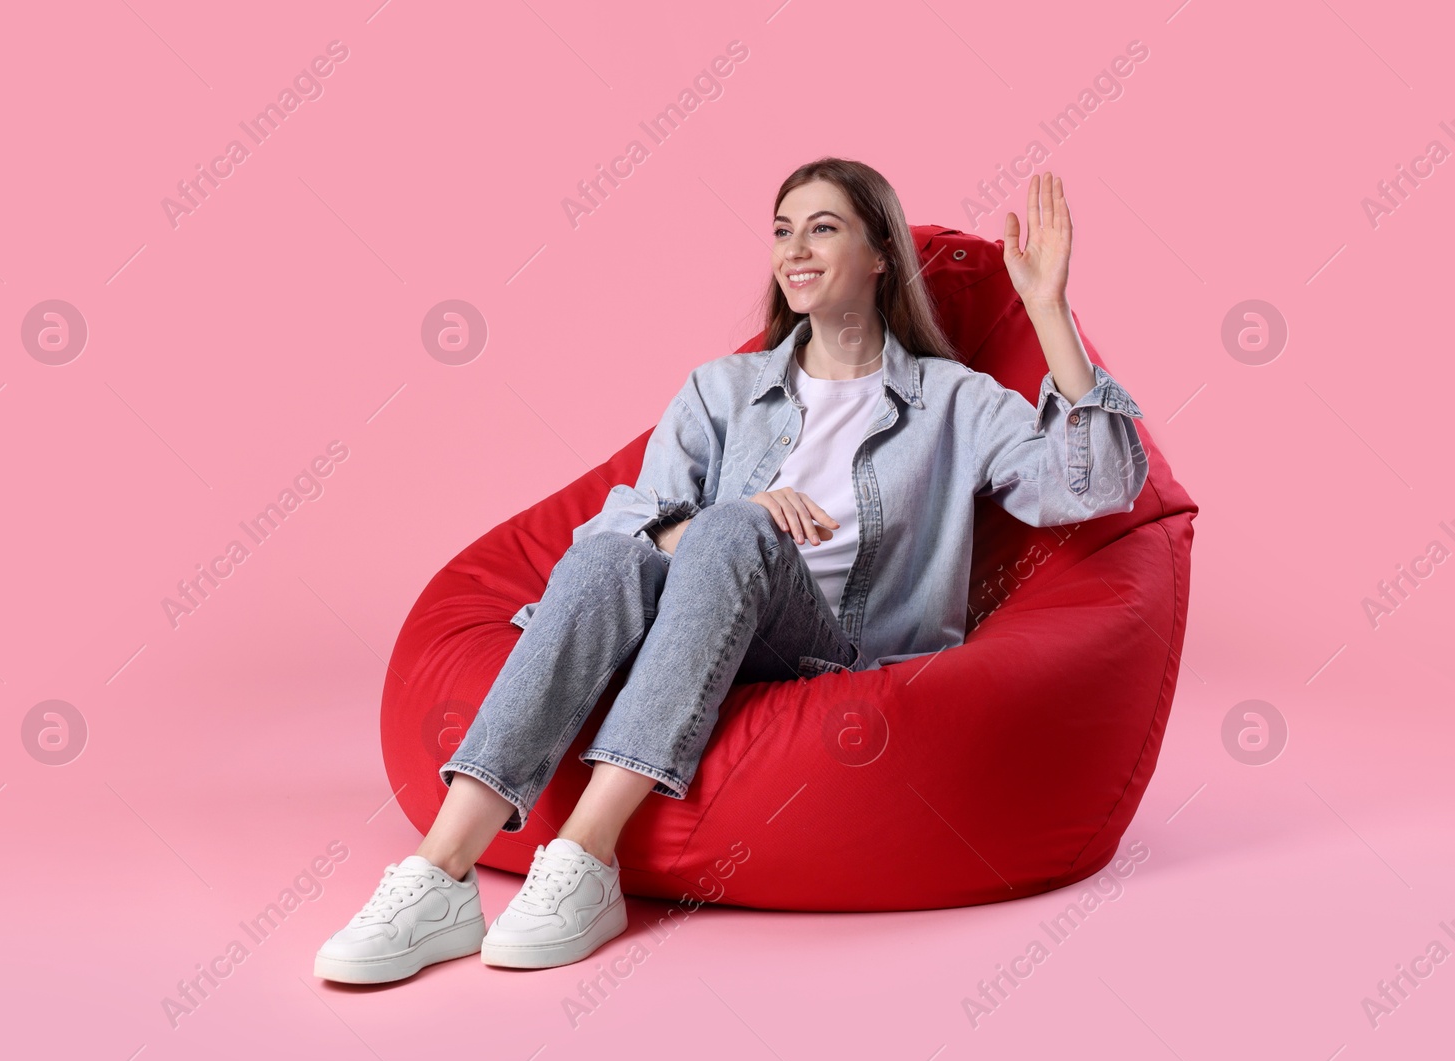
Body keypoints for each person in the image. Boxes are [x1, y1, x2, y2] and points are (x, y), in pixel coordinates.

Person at [314, 158, 1150, 985]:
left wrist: (1048, 312)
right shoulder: (723, 389)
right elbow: (623, 523)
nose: (795, 249)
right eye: (784, 231)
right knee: (625, 549)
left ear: (881, 253)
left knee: (728, 533)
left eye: (823, 228)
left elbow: (1100, 484)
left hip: (836, 652)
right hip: (700, 625)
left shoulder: (952, 399)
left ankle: (584, 855)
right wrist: (733, 520)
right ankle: (440, 875)